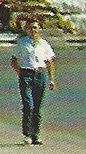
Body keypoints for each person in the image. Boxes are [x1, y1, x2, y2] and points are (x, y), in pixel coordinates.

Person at [10, 18, 56, 146]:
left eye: (35, 28)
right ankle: (27, 135)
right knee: (28, 104)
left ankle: (36, 134)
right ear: (26, 29)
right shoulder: (22, 43)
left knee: (37, 106)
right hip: (26, 74)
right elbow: (13, 60)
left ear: (39, 29)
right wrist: (21, 72)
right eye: (30, 28)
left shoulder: (44, 44)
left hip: (40, 74)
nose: (33, 30)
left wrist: (52, 79)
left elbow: (49, 62)